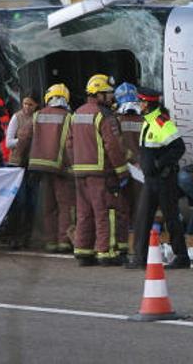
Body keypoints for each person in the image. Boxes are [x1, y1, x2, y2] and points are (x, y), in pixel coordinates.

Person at [67, 75, 130, 266]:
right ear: (99, 94)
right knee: (104, 211)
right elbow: (113, 146)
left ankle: (83, 251)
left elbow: (69, 144)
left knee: (84, 213)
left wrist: (76, 164)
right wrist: (122, 172)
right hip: (101, 173)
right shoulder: (104, 116)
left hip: (80, 172)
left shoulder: (77, 113)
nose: (111, 98)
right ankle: (106, 252)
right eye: (108, 94)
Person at [127, 87, 189, 270]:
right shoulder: (148, 121)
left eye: (141, 101)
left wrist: (159, 164)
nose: (139, 104)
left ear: (148, 103)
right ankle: (140, 258)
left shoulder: (162, 123)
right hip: (151, 180)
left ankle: (182, 257)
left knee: (171, 218)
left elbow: (179, 147)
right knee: (143, 218)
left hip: (163, 180)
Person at [26, 84, 76, 253]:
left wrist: (18, 161)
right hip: (62, 168)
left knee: (48, 206)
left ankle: (50, 242)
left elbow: (25, 137)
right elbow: (71, 144)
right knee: (64, 205)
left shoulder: (37, 115)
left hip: (41, 168)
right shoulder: (69, 117)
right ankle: (63, 241)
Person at [5, 90, 41, 248]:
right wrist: (23, 139)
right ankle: (14, 234)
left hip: (32, 163)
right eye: (25, 103)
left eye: (30, 104)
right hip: (17, 163)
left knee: (32, 203)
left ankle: (27, 235)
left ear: (36, 105)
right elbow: (8, 142)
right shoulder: (17, 117)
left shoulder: (38, 118)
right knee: (20, 201)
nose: (26, 107)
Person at [114, 82, 143, 261]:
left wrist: (130, 159)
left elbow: (117, 145)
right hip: (142, 170)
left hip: (124, 170)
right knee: (140, 208)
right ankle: (139, 243)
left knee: (123, 208)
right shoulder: (144, 119)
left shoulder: (116, 120)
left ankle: (127, 243)